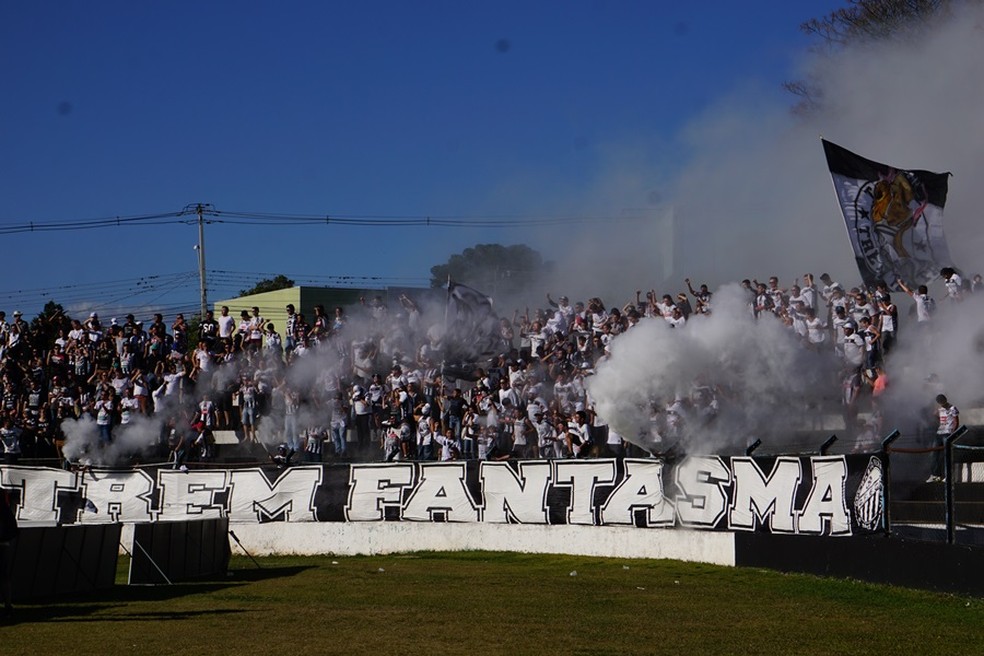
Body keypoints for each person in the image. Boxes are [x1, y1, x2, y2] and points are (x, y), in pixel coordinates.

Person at [929, 394, 959, 483]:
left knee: (947, 454)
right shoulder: (940, 409)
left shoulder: (953, 408)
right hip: (940, 432)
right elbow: (937, 416)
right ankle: (935, 475)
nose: (941, 404)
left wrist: (953, 431)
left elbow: (956, 420)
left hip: (948, 433)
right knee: (934, 454)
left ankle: (948, 476)